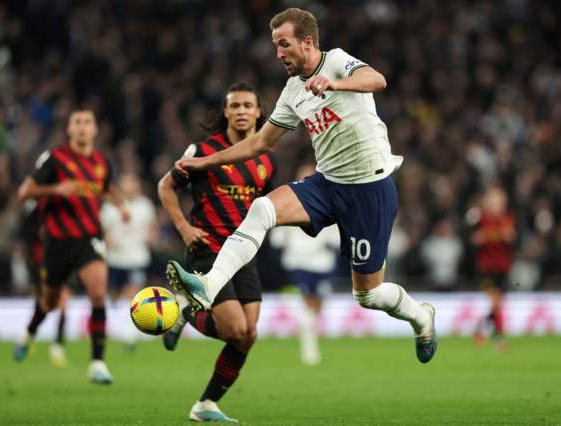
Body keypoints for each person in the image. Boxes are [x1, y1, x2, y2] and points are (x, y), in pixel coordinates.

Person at [166, 8, 437, 364]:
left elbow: (378, 80)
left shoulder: (338, 61)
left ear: (307, 42)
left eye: (284, 44)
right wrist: (204, 161)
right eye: (275, 45)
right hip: (327, 185)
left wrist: (335, 83)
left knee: (368, 295)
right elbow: (259, 143)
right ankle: (209, 285)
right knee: (262, 208)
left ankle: (422, 317)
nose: (278, 53)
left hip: (369, 189)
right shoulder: (293, 90)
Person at [158, 82, 277, 422]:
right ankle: (185, 311)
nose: (241, 111)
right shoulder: (204, 149)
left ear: (259, 112)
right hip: (207, 249)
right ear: (225, 112)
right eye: (235, 106)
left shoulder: (267, 160)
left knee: (248, 334)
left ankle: (206, 404)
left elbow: (265, 206)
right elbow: (165, 186)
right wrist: (183, 227)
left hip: (244, 255)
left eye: (247, 106)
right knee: (234, 329)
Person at [14, 106, 130, 384]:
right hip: (56, 242)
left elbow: (106, 187)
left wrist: (120, 204)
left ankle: (98, 363)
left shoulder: (103, 161)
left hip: (89, 238)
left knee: (98, 292)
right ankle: (30, 332)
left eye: (87, 122)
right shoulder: (55, 159)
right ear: (69, 129)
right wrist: (55, 189)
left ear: (95, 129)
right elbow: (24, 192)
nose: (82, 126)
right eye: (76, 121)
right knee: (51, 301)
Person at [270, 162, 340, 365]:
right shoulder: (289, 202)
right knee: (307, 303)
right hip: (298, 262)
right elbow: (277, 236)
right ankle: (309, 349)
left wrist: (330, 240)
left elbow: (336, 237)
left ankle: (310, 343)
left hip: (322, 264)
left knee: (316, 306)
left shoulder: (329, 203)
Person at [100, 172, 157, 348]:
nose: (129, 188)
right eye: (125, 184)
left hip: (136, 258)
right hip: (116, 259)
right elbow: (101, 230)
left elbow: (152, 228)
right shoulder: (110, 208)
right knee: (114, 297)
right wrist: (106, 240)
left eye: (131, 183)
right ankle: (111, 328)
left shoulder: (145, 206)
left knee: (133, 294)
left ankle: (130, 334)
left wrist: (151, 238)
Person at [20, 198, 70, 367]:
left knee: (63, 302)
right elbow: (30, 234)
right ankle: (31, 333)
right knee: (45, 302)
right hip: (42, 259)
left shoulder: (64, 202)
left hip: (63, 257)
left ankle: (57, 346)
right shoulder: (34, 206)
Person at [470, 186, 516, 351]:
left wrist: (489, 236)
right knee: (495, 301)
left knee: (497, 304)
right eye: (494, 201)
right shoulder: (479, 218)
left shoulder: (507, 218)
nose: (497, 205)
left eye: (500, 201)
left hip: (503, 267)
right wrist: (497, 235)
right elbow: (475, 239)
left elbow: (510, 236)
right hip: (485, 267)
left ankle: (482, 328)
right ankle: (498, 338)